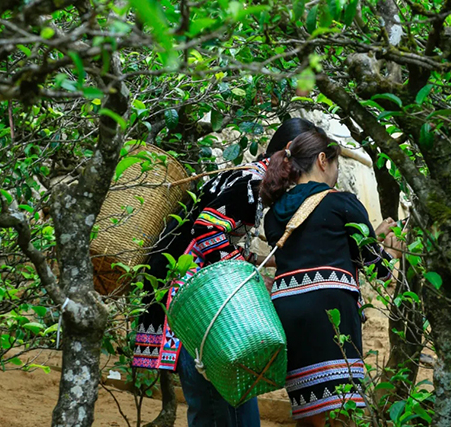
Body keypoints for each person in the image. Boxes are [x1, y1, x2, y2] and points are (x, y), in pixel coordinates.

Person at [132, 118, 327, 427]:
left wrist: (267, 262)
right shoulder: (250, 184)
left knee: (214, 414)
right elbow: (206, 229)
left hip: (193, 310)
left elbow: (218, 236)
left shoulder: (246, 178)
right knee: (226, 415)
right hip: (205, 313)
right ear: (293, 152)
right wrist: (243, 278)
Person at [260, 130, 404, 426]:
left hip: (287, 310)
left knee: (308, 410)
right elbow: (378, 268)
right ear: (323, 160)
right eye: (337, 165)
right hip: (329, 311)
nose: (337, 174)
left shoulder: (274, 215)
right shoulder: (342, 203)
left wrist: (368, 238)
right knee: (340, 408)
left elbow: (317, 249)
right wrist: (391, 252)